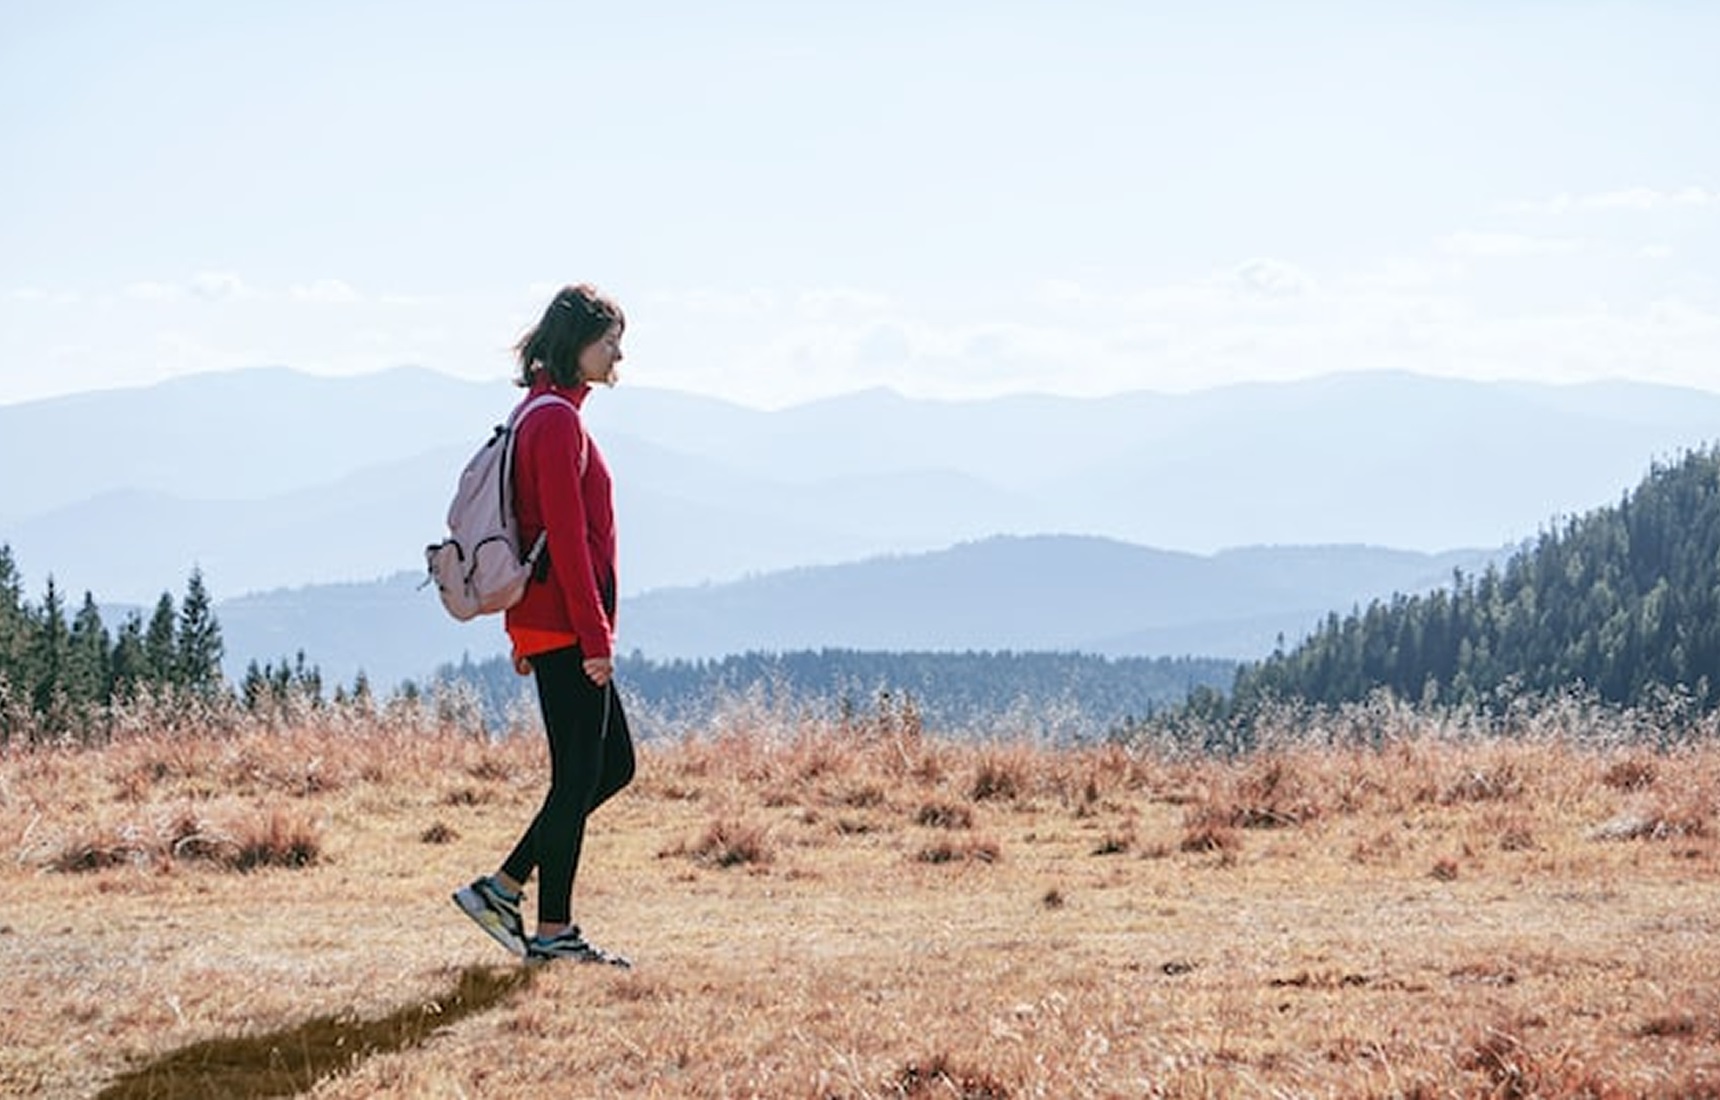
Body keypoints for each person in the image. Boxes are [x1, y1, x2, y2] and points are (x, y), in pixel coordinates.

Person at [453, 283, 637, 967]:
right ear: (576, 343)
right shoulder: (555, 421)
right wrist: (596, 639)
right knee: (582, 773)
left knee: (607, 766)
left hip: (549, 623)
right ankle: (552, 930)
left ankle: (504, 889)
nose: (620, 351)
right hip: (565, 625)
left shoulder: (538, 412)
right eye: (609, 338)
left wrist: (525, 631)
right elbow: (561, 535)